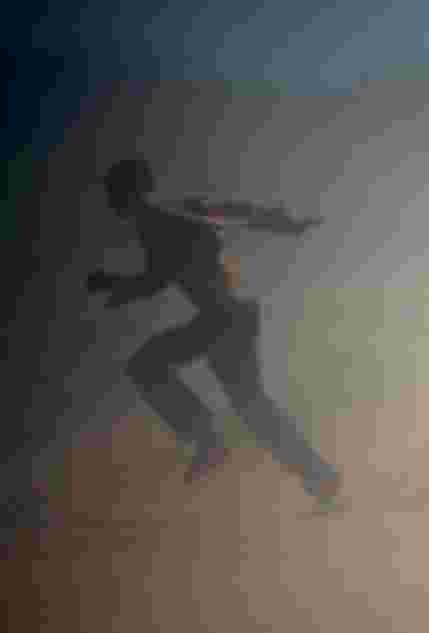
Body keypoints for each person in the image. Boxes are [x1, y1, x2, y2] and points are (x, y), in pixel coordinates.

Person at [87, 157, 340, 505]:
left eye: (111, 191)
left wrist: (117, 285)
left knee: (149, 366)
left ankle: (208, 438)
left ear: (126, 191)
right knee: (251, 408)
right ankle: (317, 475)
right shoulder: (172, 211)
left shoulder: (155, 221)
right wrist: (281, 222)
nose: (108, 198)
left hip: (223, 321)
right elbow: (230, 212)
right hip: (224, 319)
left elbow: (159, 277)